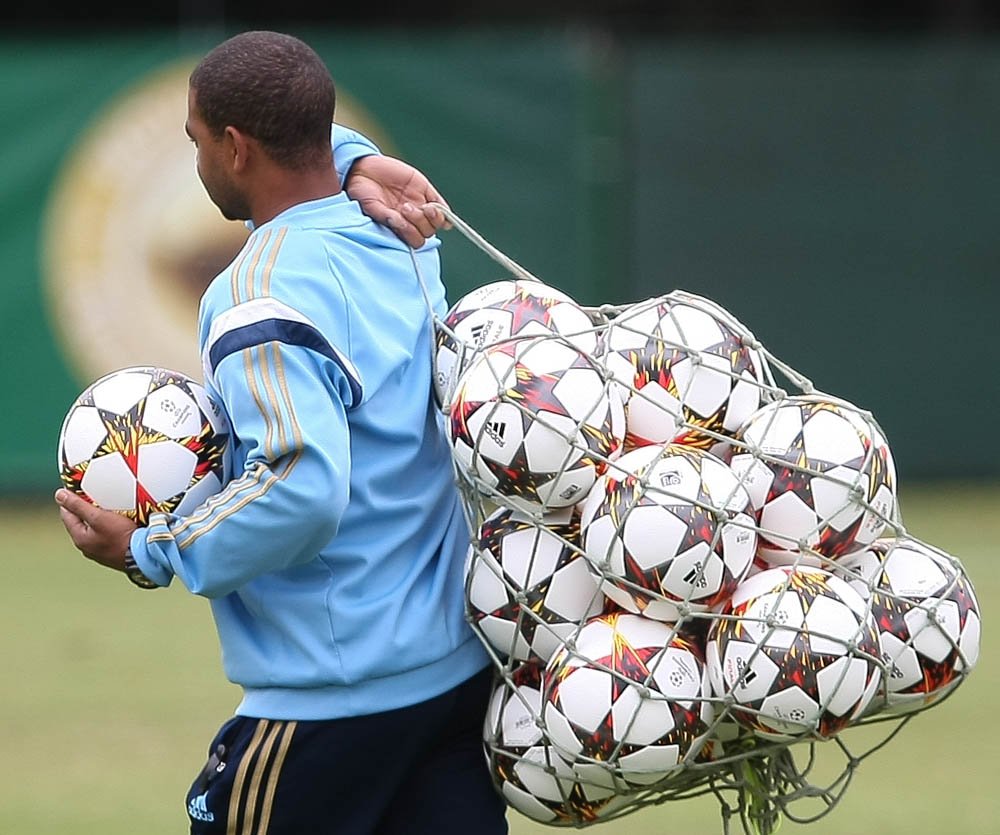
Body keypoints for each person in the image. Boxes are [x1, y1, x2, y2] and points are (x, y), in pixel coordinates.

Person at [54, 30, 507, 835]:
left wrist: (148, 550)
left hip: (331, 707)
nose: (195, 163)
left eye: (195, 141)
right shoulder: (397, 234)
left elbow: (302, 486)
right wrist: (356, 158)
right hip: (451, 684)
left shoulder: (258, 295)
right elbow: (309, 139)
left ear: (234, 147)